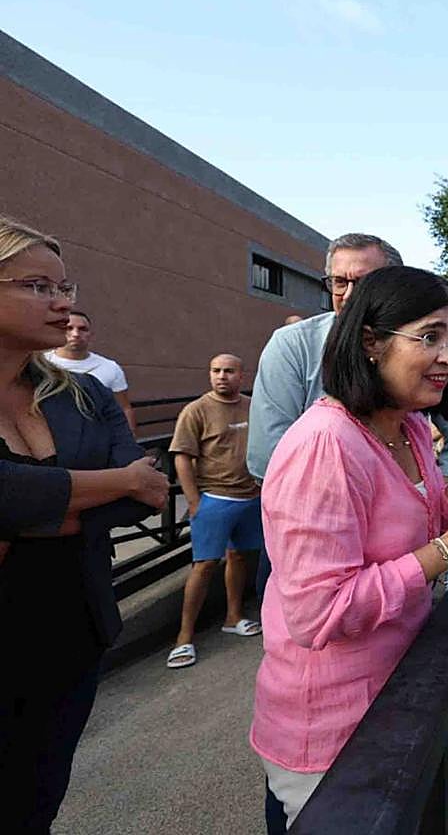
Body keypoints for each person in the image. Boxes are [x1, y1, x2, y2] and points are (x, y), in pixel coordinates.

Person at [250, 266, 448, 828]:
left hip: (394, 703)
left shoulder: (410, 425)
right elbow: (317, 613)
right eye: (429, 337)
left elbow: (417, 518)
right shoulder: (326, 445)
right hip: (332, 733)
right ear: (371, 342)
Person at [0, 216, 168, 833]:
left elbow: (148, 492)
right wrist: (112, 484)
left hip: (73, 629)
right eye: (38, 286)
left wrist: (35, 517)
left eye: (65, 287)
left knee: (35, 798)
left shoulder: (83, 394)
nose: (64, 303)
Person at [247, 232, 403, 600]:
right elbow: (266, 457)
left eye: (362, 283)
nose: (348, 294)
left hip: (400, 542)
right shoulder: (291, 346)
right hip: (312, 537)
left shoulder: (413, 345)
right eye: (339, 281)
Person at [165, 354, 263, 670]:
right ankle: (183, 637)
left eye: (229, 371)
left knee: (240, 557)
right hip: (215, 499)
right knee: (204, 565)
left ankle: (233, 617)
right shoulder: (195, 411)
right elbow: (181, 457)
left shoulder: (253, 405)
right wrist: (194, 502)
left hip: (250, 497)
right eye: (216, 370)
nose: (222, 376)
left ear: (242, 375)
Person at [45, 309, 136, 431]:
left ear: (90, 335)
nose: (76, 334)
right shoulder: (41, 364)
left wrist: (130, 442)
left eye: (83, 329)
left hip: (98, 439)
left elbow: (124, 408)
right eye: (69, 328)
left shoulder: (110, 367)